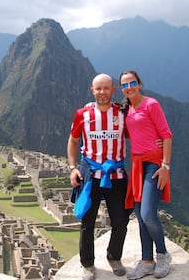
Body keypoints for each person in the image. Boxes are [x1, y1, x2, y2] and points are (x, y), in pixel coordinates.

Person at [67, 73, 130, 280]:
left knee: (120, 220)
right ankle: (87, 264)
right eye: (98, 88)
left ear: (113, 90)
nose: (102, 92)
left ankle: (114, 257)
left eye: (106, 88)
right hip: (90, 173)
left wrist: (157, 144)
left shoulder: (123, 113)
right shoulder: (82, 114)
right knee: (87, 221)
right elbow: (73, 140)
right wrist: (72, 167)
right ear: (92, 91)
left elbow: (138, 132)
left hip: (116, 174)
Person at [118, 70, 173, 279]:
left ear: (139, 84)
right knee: (140, 217)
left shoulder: (151, 105)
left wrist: (165, 166)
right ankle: (147, 261)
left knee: (148, 213)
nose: (129, 87)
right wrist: (90, 107)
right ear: (122, 89)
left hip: (153, 164)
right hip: (137, 165)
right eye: (124, 85)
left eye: (132, 83)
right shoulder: (126, 109)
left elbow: (167, 135)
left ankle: (162, 254)